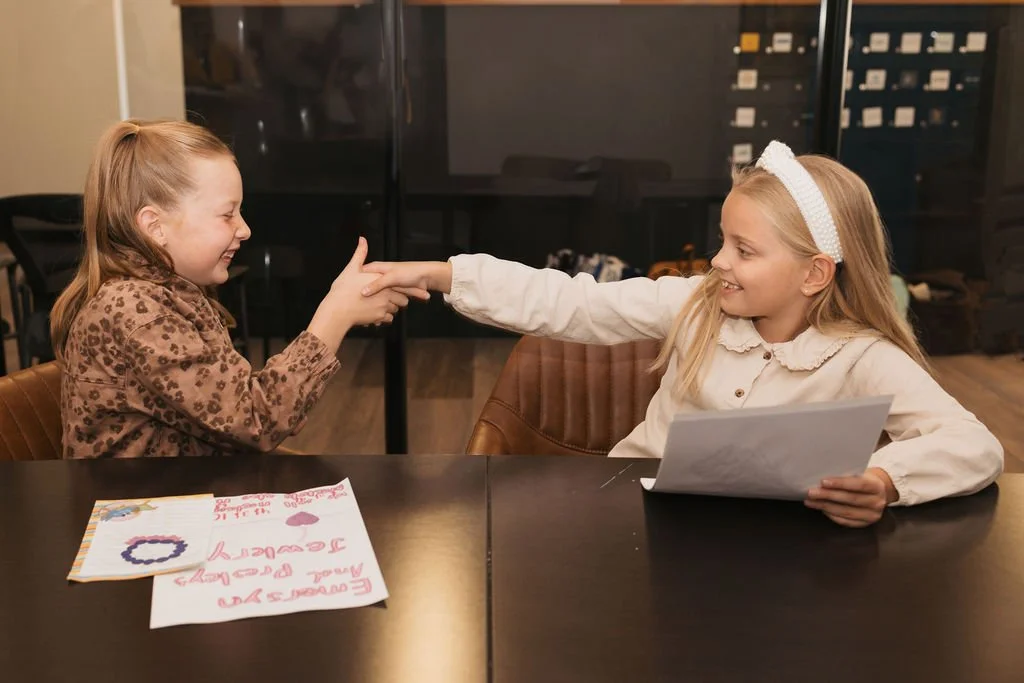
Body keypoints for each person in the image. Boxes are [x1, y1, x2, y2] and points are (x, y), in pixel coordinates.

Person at [361, 140, 1003, 528]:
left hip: (769, 553)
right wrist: (442, 273)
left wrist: (886, 480)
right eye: (724, 241)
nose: (718, 261)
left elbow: (973, 444)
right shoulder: (697, 306)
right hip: (632, 521)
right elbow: (568, 302)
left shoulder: (863, 356)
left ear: (814, 273)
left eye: (743, 250)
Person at [50, 119, 426, 458]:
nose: (244, 229)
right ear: (155, 226)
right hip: (141, 521)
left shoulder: (168, 294)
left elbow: (252, 418)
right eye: (228, 214)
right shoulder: (135, 311)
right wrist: (334, 315)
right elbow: (256, 421)